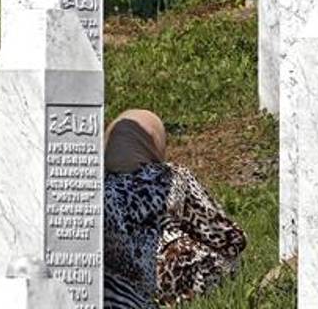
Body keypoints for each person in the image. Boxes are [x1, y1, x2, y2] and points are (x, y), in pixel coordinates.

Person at [102, 110, 247, 308]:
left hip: (122, 293)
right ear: (153, 142)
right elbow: (223, 235)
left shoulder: (98, 190)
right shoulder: (171, 177)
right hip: (181, 277)